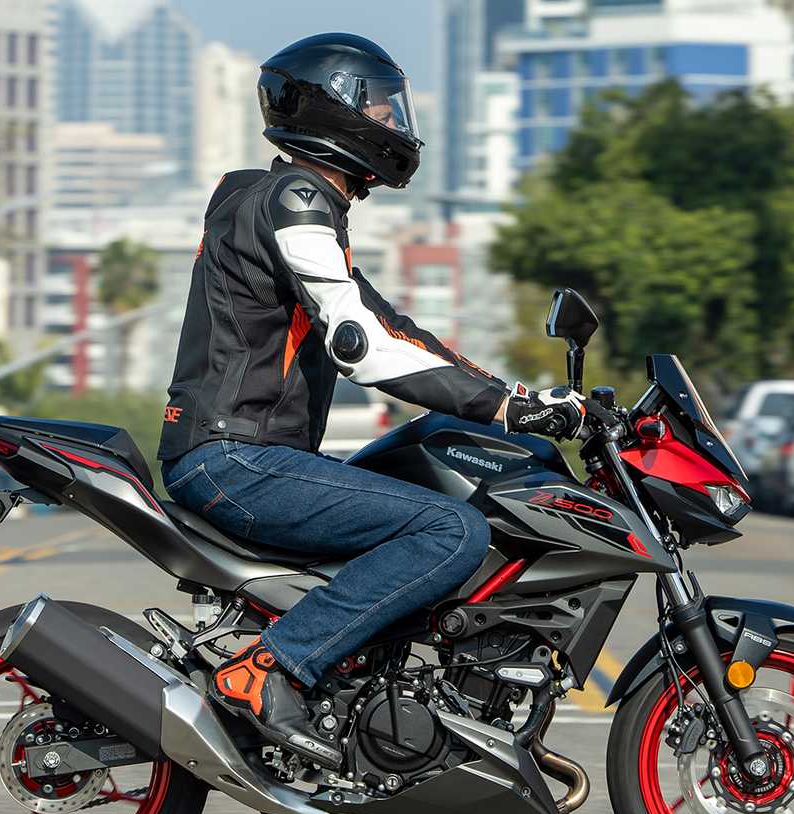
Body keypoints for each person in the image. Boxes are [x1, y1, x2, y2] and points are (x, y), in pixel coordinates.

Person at [158, 33, 586, 766]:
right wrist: (508, 411)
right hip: (235, 458)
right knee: (451, 533)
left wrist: (516, 397)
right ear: (339, 109)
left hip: (244, 455)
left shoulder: (295, 206)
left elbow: (395, 330)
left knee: (429, 479)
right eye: (384, 107)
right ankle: (274, 669)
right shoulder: (296, 201)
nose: (395, 123)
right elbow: (361, 346)